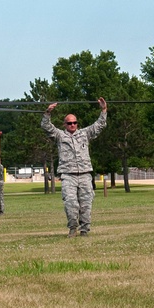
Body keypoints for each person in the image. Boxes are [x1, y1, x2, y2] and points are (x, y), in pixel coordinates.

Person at [41, 98, 107, 237]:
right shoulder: (60, 135)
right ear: (65, 124)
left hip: (84, 174)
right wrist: (47, 113)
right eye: (69, 123)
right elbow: (46, 127)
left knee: (86, 204)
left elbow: (99, 125)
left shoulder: (84, 134)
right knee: (70, 203)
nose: (72, 125)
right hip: (68, 175)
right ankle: (72, 228)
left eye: (74, 122)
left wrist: (103, 110)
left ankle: (84, 230)